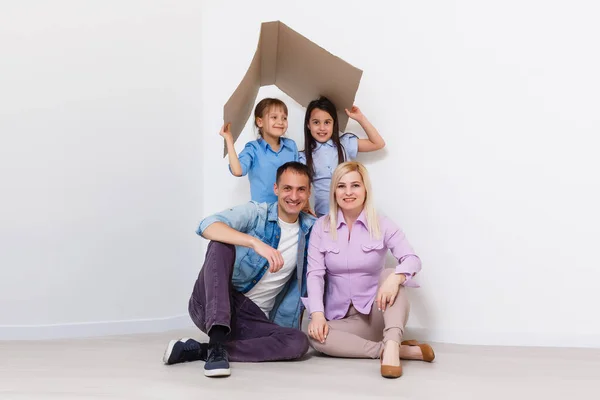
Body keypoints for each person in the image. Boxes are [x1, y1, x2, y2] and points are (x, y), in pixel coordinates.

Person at [163, 162, 315, 377]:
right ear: (276, 189)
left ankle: (203, 350)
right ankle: (216, 341)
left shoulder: (312, 229)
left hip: (252, 320)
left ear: (309, 192)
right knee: (219, 244)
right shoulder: (257, 213)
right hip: (213, 304)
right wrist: (254, 243)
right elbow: (207, 225)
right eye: (287, 188)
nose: (294, 196)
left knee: (298, 342)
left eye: (301, 189)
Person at [303, 161, 435, 379]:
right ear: (334, 191)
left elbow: (412, 259)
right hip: (344, 320)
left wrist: (396, 278)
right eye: (341, 186)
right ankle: (391, 350)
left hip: (380, 313)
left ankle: (392, 344)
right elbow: (314, 274)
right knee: (315, 336)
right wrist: (317, 315)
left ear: (365, 189)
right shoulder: (321, 227)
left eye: (355, 185)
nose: (348, 192)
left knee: (390, 274)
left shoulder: (382, 224)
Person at [299, 96, 385, 217]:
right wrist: (308, 212)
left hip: (352, 214)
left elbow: (378, 143)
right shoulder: (303, 157)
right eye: (316, 122)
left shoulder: (345, 144)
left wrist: (360, 118)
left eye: (327, 122)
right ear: (308, 125)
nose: (322, 128)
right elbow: (300, 188)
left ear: (334, 123)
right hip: (325, 216)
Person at [221, 98, 299, 203]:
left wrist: (306, 205)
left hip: (289, 210)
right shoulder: (253, 149)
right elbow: (237, 171)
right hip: (262, 212)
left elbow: (299, 179)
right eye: (274, 117)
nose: (280, 122)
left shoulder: (291, 146)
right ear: (260, 122)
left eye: (284, 118)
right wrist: (229, 140)